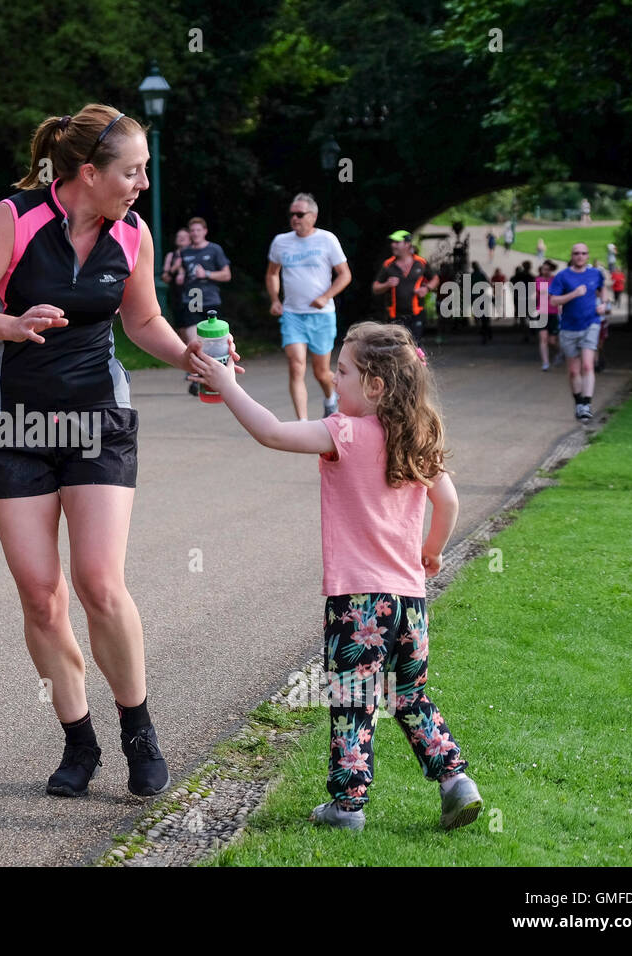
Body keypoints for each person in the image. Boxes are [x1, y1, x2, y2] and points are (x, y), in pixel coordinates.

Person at [0, 105, 238, 798]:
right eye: (131, 172)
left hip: (98, 418)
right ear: (87, 173)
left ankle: (140, 731)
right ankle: (79, 740)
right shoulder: (15, 219)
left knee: (100, 582)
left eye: (144, 171)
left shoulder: (131, 233)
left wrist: (192, 356)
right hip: (12, 423)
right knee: (43, 598)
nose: (142, 183)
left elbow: (143, 320)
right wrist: (10, 323)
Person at [188, 321, 482, 832]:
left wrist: (228, 384)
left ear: (375, 386)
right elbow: (449, 501)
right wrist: (430, 553)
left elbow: (272, 432)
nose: (335, 381)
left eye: (342, 372)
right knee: (408, 694)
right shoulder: (418, 436)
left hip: (357, 602)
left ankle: (348, 808)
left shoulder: (344, 432)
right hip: (408, 599)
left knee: (353, 700)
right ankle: (456, 781)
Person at [266, 193, 352, 419]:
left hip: (321, 315)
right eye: (292, 214)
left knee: (321, 372)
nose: (294, 218)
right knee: (296, 365)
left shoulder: (327, 240)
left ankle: (330, 398)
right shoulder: (281, 242)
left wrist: (326, 296)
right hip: (293, 314)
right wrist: (275, 299)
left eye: (300, 214)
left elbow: (345, 275)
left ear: (313, 216)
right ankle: (302, 422)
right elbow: (273, 273)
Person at [548, 242, 607, 421]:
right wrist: (573, 294)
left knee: (588, 365)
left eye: (583, 253)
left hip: (591, 324)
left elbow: (602, 288)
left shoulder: (595, 274)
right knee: (574, 371)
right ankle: (579, 403)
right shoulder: (562, 276)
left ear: (587, 256)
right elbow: (553, 301)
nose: (580, 256)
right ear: (572, 256)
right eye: (576, 253)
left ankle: (587, 405)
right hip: (569, 327)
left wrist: (604, 304)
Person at [372, 229, 437, 346]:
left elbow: (435, 279)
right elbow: (375, 288)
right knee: (397, 347)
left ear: (407, 244)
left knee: (415, 345)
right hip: (394, 315)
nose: (393, 245)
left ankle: (416, 364)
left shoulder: (421, 262)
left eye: (397, 242)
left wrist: (427, 288)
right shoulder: (388, 265)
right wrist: (387, 284)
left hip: (416, 313)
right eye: (392, 242)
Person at [177, 217, 231, 338]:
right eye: (192, 230)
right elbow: (183, 267)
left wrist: (206, 274)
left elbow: (227, 275)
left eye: (198, 230)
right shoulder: (185, 251)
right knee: (194, 340)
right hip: (192, 299)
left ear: (205, 231)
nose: (195, 233)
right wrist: (181, 274)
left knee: (212, 339)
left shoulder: (214, 249)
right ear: (189, 233)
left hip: (210, 300)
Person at [162, 226, 193, 343]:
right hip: (177, 294)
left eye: (184, 237)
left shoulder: (195, 254)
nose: (180, 239)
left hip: (193, 294)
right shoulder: (171, 255)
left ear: (190, 239)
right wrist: (174, 267)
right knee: (180, 325)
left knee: (194, 323)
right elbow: (165, 278)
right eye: (179, 237)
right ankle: (187, 351)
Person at [535, 259, 561, 370]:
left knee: (552, 341)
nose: (545, 271)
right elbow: (535, 295)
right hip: (541, 312)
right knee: (543, 338)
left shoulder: (555, 280)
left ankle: (559, 351)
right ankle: (545, 363)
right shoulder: (537, 280)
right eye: (543, 269)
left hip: (553, 312)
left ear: (551, 270)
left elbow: (559, 295)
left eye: (547, 269)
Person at [511, 260, 535, 343]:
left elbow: (513, 283)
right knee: (531, 317)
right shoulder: (531, 277)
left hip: (522, 299)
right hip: (529, 299)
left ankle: (526, 335)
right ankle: (531, 333)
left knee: (523, 319)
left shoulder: (518, 276)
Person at [470, 260, 493, 343]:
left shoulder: (473, 275)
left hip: (478, 298)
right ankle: (487, 333)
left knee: (481, 318)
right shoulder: (480, 274)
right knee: (484, 318)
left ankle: (485, 334)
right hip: (482, 298)